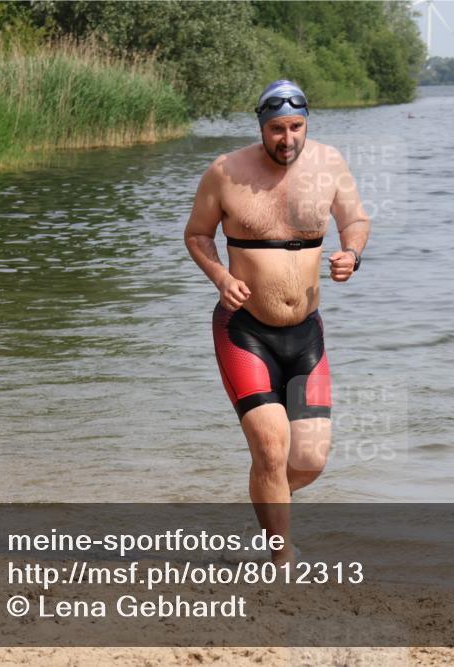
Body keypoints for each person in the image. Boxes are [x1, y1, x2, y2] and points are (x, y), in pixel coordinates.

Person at [184, 81, 370, 565]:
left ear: (306, 122)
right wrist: (220, 276)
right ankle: (281, 557)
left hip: (306, 332)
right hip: (244, 330)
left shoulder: (329, 164)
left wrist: (351, 252)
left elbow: (356, 220)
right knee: (270, 446)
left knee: (308, 460)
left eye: (295, 127)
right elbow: (197, 234)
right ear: (260, 127)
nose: (286, 139)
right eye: (275, 129)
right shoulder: (225, 172)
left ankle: (268, 505)